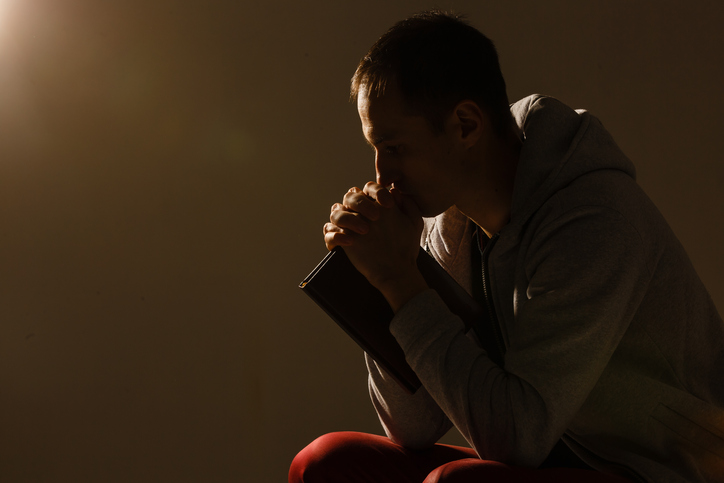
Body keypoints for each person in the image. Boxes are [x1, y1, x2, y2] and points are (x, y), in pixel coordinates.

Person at [290, 10, 724, 483]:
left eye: (394, 148)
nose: (381, 175)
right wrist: (379, 278)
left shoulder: (595, 218)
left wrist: (401, 279)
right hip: (548, 458)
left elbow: (516, 438)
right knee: (327, 461)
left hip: (656, 470)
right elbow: (411, 426)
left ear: (466, 125)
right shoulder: (449, 222)